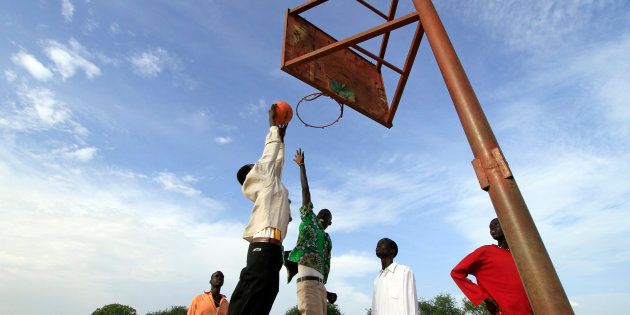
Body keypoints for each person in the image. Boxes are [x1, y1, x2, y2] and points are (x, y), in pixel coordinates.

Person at [228, 104, 291, 315]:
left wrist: (281, 138)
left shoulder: (271, 185)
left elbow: (277, 162)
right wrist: (272, 125)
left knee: (263, 300)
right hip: (263, 249)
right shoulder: (260, 180)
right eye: (254, 166)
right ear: (250, 174)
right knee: (250, 301)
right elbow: (269, 155)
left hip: (272, 252)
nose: (259, 165)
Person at [286, 149, 336, 314]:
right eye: (325, 213)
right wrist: (302, 166)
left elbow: (324, 266)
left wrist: (326, 292)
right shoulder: (309, 218)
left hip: (320, 285)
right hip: (308, 284)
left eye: (328, 215)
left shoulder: (326, 240)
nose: (326, 216)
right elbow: (305, 190)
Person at [451, 218, 533, 315]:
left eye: (496, 224)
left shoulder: (521, 256)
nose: (492, 227)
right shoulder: (485, 251)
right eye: (491, 227)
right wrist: (485, 298)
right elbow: (456, 273)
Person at [371, 238, 419, 315]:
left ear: (392, 251)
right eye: (377, 245)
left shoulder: (404, 271)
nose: (378, 245)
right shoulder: (377, 280)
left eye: (382, 243)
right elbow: (374, 309)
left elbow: (412, 305)